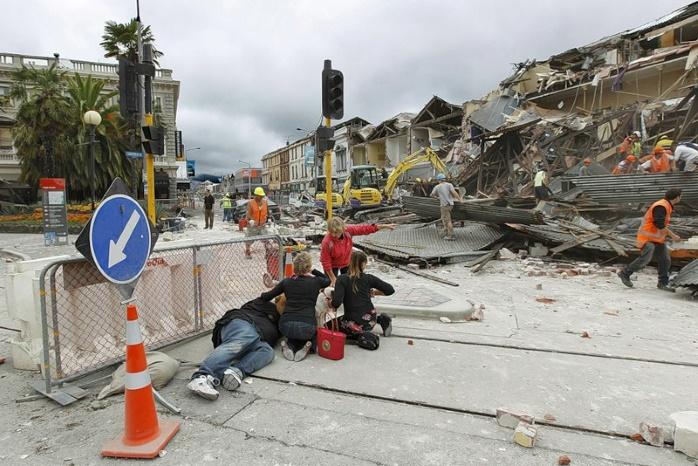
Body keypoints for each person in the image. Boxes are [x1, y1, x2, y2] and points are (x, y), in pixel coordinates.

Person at [187, 296, 284, 400]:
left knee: (267, 351)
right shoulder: (264, 304)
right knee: (242, 339)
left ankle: (234, 371)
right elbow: (265, 298)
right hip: (242, 324)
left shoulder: (286, 321)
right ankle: (202, 376)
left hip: (257, 339)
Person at [260, 252, 330, 361]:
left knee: (293, 332)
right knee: (312, 332)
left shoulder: (286, 282)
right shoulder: (316, 281)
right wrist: (313, 270)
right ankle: (307, 346)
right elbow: (328, 280)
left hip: (285, 326)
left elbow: (267, 297)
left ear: (294, 266)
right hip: (307, 326)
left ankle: (289, 345)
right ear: (308, 267)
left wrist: (261, 296)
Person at [617, 189, 682, 292]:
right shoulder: (661, 206)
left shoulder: (667, 205)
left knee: (665, 260)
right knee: (645, 259)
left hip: (656, 238)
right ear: (677, 197)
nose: (681, 198)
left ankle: (663, 283)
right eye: (680, 196)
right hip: (647, 237)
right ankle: (625, 273)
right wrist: (673, 235)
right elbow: (659, 224)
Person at [330, 250, 395, 350]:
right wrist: (374, 293)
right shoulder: (369, 278)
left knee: (329, 326)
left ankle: (361, 335)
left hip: (353, 322)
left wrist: (330, 302)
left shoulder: (342, 279)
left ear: (349, 262)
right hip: (371, 320)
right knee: (360, 318)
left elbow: (336, 303)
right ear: (363, 264)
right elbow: (390, 290)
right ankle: (381, 319)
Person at [320, 217, 396, 286]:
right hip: (332, 266)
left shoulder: (348, 231)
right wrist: (333, 279)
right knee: (330, 284)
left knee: (350, 284)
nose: (334, 235)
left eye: (337, 233)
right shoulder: (327, 242)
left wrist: (383, 226)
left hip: (346, 262)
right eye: (332, 232)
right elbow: (326, 262)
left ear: (343, 229)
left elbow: (364, 229)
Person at [430, 173, 463, 240]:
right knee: (444, 218)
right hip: (451, 205)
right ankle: (445, 231)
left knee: (448, 221)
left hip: (444, 206)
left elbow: (431, 195)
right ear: (444, 179)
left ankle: (451, 236)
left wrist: (437, 197)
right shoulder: (449, 185)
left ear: (439, 180)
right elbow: (454, 192)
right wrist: (460, 200)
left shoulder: (437, 187)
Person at [245, 187, 269, 258]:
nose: (261, 197)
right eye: (260, 196)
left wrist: (267, 219)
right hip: (253, 226)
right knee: (249, 239)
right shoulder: (251, 203)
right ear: (255, 195)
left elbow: (266, 213)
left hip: (262, 225)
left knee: (266, 240)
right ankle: (247, 252)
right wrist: (250, 220)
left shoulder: (265, 202)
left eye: (262, 196)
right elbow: (248, 214)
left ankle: (268, 253)